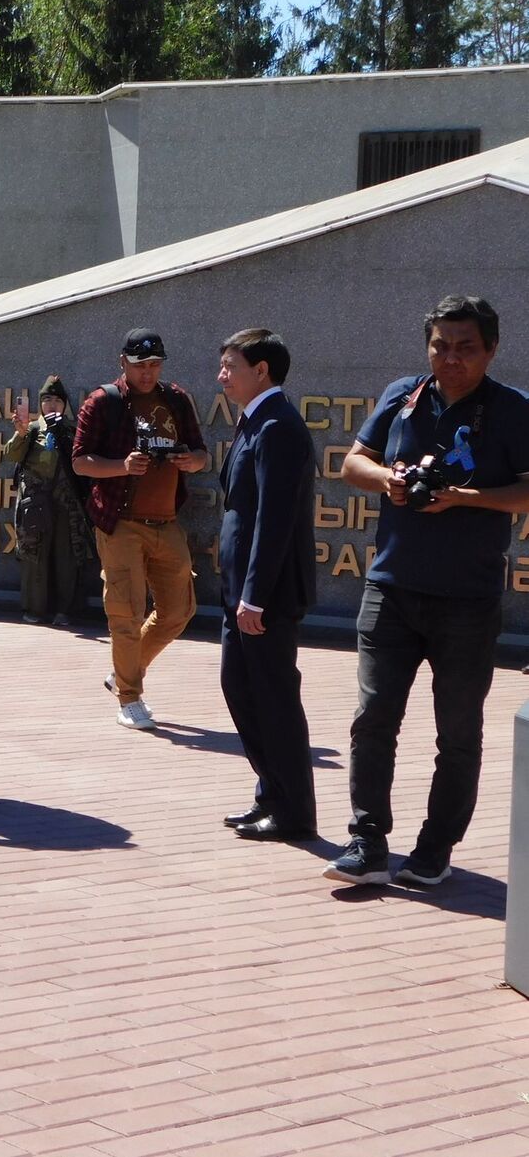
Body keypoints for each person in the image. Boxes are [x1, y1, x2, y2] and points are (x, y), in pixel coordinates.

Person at [323, 296, 529, 887]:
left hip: (467, 598)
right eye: (441, 345)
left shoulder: (513, 410)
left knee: (457, 732)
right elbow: (353, 463)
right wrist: (390, 479)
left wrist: (467, 499)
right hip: (390, 586)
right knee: (372, 719)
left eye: (466, 347)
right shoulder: (403, 396)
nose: (451, 358)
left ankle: (434, 850)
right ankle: (366, 841)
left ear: (491, 349)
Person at [71, 329, 209, 729]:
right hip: (120, 522)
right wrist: (122, 466)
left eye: (154, 365)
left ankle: (123, 672)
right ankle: (130, 697)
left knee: (178, 611)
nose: (147, 374)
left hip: (167, 521)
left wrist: (191, 462)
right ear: (123, 363)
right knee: (126, 612)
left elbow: (201, 451)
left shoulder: (176, 399)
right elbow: (80, 461)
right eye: (139, 366)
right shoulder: (104, 402)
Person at [215, 330, 319, 843]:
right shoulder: (254, 422)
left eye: (231, 365)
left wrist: (254, 595)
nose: (222, 375)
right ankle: (271, 795)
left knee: (273, 699)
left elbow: (273, 522)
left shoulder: (278, 427)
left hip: (266, 597)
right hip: (240, 593)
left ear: (262, 370)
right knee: (240, 689)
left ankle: (294, 810)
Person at [5, 375, 92, 625]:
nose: (52, 404)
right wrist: (20, 434)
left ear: (65, 405)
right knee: (35, 556)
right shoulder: (31, 430)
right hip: (36, 502)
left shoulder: (72, 431)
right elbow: (13, 455)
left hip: (67, 502)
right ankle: (35, 609)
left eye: (56, 400)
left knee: (67, 557)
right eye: (46, 400)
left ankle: (64, 610)